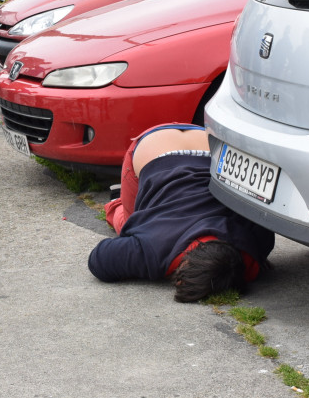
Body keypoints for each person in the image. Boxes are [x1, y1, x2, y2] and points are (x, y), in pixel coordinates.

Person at [88, 124, 275, 302]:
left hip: (205, 140)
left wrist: (252, 260)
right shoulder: (151, 250)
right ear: (182, 265)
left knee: (139, 228)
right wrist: (159, 266)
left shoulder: (253, 241)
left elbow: (265, 229)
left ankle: (119, 199)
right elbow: (99, 260)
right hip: (151, 149)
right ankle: (115, 204)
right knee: (129, 225)